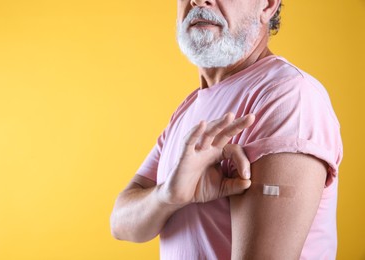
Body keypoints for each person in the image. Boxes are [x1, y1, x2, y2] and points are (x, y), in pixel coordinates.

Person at [110, 0, 343, 259]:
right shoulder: (187, 110)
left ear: (267, 6)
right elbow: (120, 223)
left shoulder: (287, 98)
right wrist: (169, 196)